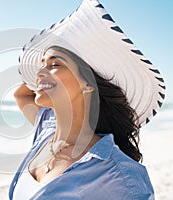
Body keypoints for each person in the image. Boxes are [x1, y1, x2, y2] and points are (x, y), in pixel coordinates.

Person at [9, 0, 165, 199]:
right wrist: (47, 76)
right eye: (41, 64)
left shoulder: (120, 177)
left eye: (55, 64)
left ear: (88, 83)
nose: (40, 72)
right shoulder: (47, 129)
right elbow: (20, 94)